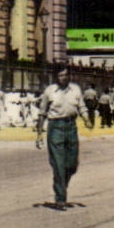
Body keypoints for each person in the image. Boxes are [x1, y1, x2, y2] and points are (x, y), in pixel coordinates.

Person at [36, 69, 83, 209]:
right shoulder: (49, 91)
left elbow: (82, 106)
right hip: (55, 127)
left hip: (71, 127)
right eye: (60, 75)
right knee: (58, 163)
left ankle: (61, 184)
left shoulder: (75, 89)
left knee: (72, 164)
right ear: (56, 77)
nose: (63, 77)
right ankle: (60, 197)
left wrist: (86, 118)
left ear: (70, 76)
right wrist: (39, 134)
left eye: (65, 75)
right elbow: (42, 113)